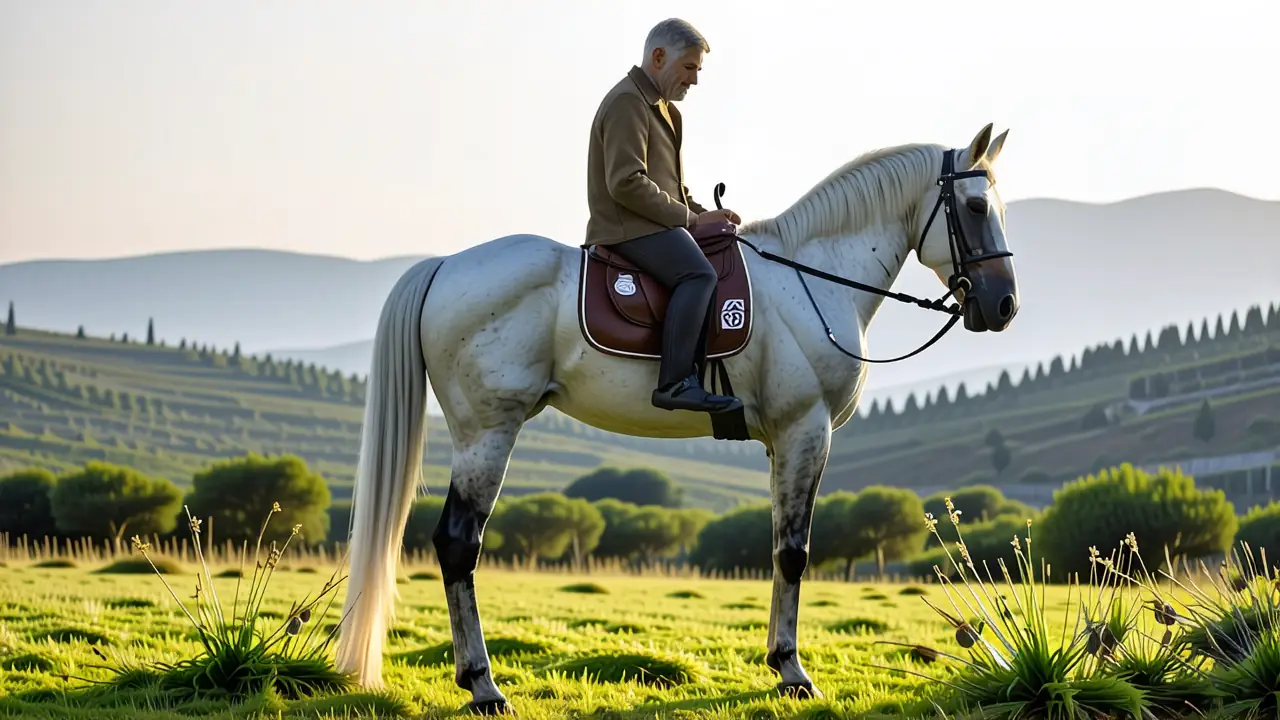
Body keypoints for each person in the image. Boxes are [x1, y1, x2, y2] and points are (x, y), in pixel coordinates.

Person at [584, 18, 744, 415]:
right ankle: (676, 383)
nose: (694, 80)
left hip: (654, 222)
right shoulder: (627, 102)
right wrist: (691, 222)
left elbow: (673, 188)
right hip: (626, 228)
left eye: (698, 70)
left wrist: (706, 214)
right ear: (658, 57)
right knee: (698, 274)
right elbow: (626, 183)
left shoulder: (666, 111)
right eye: (688, 67)